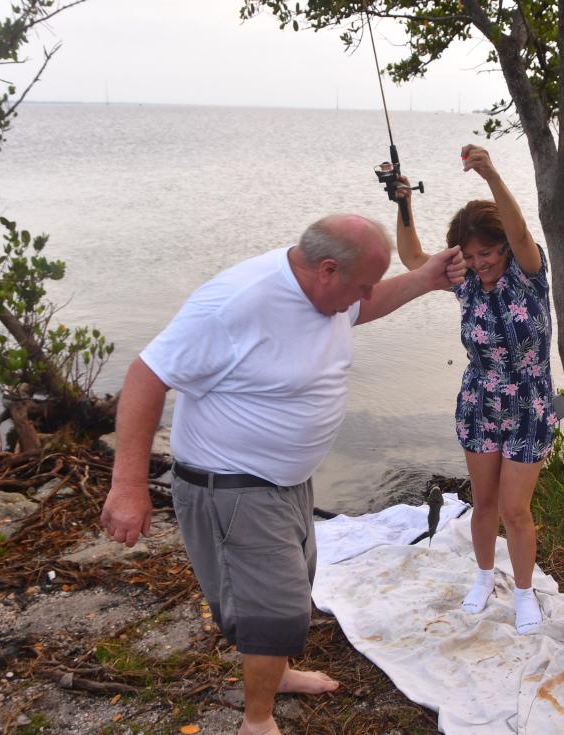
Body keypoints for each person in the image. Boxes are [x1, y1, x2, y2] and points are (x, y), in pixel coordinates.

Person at [100, 214, 465, 735]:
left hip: (286, 482)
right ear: (327, 269)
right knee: (275, 609)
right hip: (232, 484)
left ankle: (277, 675)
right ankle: (257, 721)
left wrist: (425, 278)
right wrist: (129, 485)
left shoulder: (327, 292)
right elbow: (147, 375)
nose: (364, 296)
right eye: (360, 284)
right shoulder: (236, 303)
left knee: (294, 582)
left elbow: (364, 305)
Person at [395, 145, 555, 635]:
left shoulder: (529, 274)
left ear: (503, 247)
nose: (479, 263)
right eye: (470, 256)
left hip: (529, 403)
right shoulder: (464, 282)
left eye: (486, 253)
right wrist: (403, 204)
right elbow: (413, 260)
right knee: (483, 504)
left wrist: (490, 174)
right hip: (479, 402)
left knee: (515, 509)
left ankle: (524, 593)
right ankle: (485, 577)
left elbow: (522, 229)